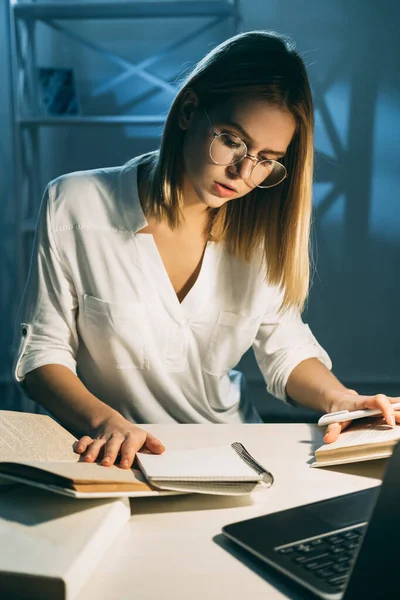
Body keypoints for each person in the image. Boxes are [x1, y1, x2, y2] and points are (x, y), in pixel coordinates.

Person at [12, 30, 399, 470]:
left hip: (235, 454)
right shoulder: (75, 202)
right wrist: (104, 421)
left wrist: (343, 399)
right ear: (189, 111)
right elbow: (41, 353)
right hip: (113, 459)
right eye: (232, 140)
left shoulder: (259, 233)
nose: (242, 172)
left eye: (266, 158)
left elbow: (286, 349)